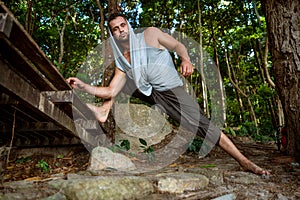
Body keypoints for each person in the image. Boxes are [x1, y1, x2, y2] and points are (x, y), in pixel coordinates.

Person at [66, 13, 270, 176]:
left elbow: (178, 45)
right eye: (115, 29)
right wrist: (83, 86)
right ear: (112, 34)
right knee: (123, 79)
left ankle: (244, 161)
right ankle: (103, 111)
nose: (121, 30)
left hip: (171, 92)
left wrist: (185, 59)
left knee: (204, 126)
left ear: (128, 25)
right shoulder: (124, 61)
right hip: (149, 92)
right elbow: (110, 90)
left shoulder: (150, 34)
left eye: (122, 25)